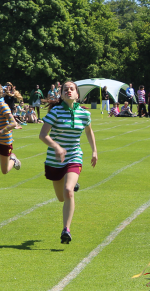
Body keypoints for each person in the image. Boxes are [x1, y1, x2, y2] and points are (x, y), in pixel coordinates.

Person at [39, 81, 98, 245]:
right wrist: (56, 147)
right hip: (54, 159)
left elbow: (89, 131)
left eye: (72, 89)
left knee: (68, 191)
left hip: (74, 156)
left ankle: (66, 229)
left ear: (77, 94)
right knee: (61, 198)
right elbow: (43, 134)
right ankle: (72, 185)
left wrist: (94, 151)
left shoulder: (84, 114)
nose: (69, 91)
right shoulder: (56, 111)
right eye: (66, 89)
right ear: (62, 94)